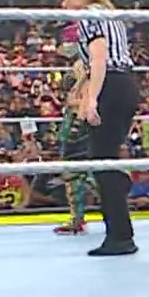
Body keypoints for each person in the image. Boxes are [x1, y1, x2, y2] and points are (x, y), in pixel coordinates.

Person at [58, 0, 140, 257]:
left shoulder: (90, 14)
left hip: (111, 86)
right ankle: (120, 229)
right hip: (124, 85)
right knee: (105, 160)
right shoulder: (109, 13)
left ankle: (120, 236)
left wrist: (91, 98)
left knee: (102, 163)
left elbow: (99, 58)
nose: (63, 4)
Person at [52, 22, 95, 237]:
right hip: (75, 116)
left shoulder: (89, 64)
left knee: (80, 170)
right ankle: (78, 218)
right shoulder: (81, 64)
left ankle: (80, 218)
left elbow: (88, 95)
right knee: (77, 170)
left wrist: (77, 113)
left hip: (80, 118)